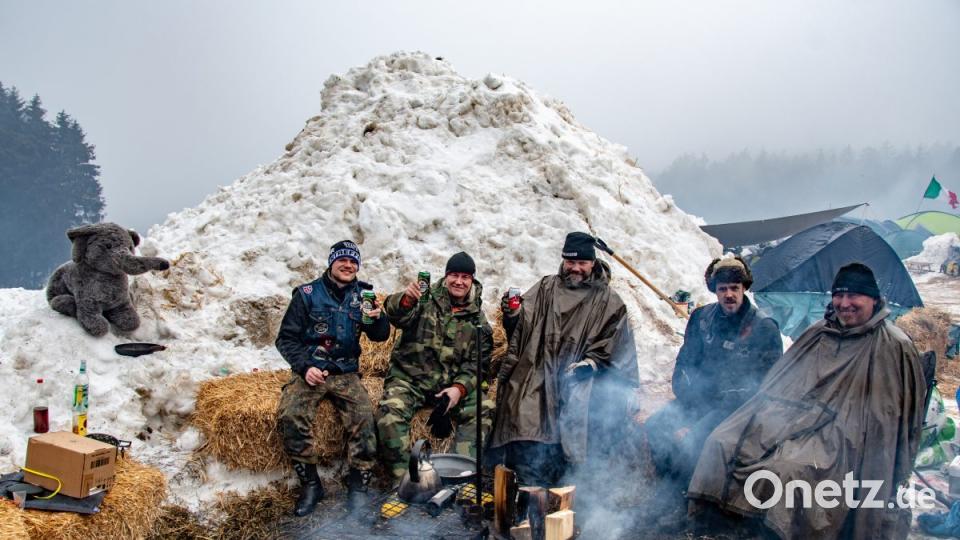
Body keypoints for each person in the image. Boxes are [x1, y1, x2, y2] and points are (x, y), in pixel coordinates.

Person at [687, 263, 926, 539]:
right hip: (795, 420)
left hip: (843, 439)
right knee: (723, 440)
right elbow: (781, 383)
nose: (845, 303)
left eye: (854, 296)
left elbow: (894, 420)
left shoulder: (893, 345)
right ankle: (720, 525)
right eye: (839, 295)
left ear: (873, 299)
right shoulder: (819, 333)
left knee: (787, 471)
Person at [489, 231, 638, 487]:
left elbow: (615, 345)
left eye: (582, 263)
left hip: (582, 376)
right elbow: (523, 323)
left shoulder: (608, 300)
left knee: (582, 411)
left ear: (592, 263)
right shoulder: (547, 287)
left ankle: (573, 487)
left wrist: (591, 363)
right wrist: (512, 313)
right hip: (539, 368)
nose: (576, 268)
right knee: (521, 402)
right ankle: (529, 487)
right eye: (571, 262)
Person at [275, 240, 389, 516]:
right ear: (331, 262)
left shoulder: (363, 296)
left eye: (353, 262)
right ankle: (311, 484)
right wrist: (304, 367)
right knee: (290, 415)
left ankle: (358, 486)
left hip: (345, 372)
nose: (348, 265)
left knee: (364, 419)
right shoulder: (306, 294)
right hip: (312, 370)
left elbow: (379, 336)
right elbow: (286, 339)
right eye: (343, 260)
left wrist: (378, 318)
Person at [645, 256, 782, 485]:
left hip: (737, 407)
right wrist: (687, 398)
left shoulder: (763, 327)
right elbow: (685, 362)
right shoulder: (701, 319)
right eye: (723, 289)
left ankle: (690, 496)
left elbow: (768, 383)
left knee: (696, 440)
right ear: (715, 291)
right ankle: (667, 488)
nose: (729, 295)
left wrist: (720, 407)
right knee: (657, 425)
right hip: (700, 399)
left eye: (735, 288)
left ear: (744, 288)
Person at [376, 251, 494, 479]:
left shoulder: (477, 320)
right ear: (446, 276)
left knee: (484, 408)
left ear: (472, 281)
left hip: (449, 387)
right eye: (454, 275)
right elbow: (394, 314)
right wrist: (406, 300)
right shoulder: (425, 299)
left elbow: (478, 365)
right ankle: (405, 480)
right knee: (389, 412)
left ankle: (462, 475)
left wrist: (459, 389)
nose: (459, 281)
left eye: (465, 277)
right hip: (410, 381)